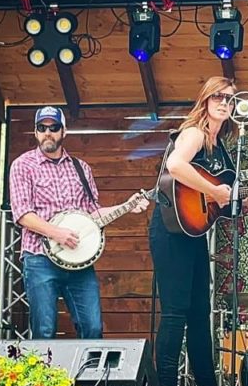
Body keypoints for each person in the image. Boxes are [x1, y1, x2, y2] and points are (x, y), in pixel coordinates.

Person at [149, 77, 248, 386]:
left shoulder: (223, 149)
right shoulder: (195, 132)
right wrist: (216, 190)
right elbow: (176, 167)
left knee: (201, 314)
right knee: (175, 313)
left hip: (193, 232)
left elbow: (221, 203)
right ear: (205, 99)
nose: (224, 103)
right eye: (218, 96)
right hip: (170, 232)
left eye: (230, 99)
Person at [9, 106, 149, 340]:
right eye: (41, 128)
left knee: (92, 328)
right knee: (44, 332)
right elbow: (23, 214)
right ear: (35, 132)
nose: (47, 133)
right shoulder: (23, 165)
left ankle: (88, 378)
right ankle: (48, 378)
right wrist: (56, 233)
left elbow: (92, 215)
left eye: (53, 128)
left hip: (79, 264)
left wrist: (127, 206)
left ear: (64, 131)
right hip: (39, 259)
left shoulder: (81, 168)